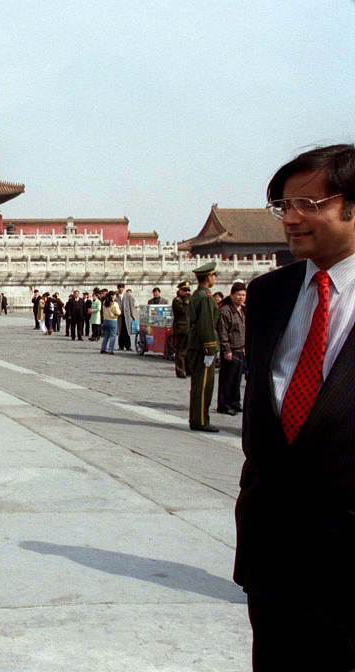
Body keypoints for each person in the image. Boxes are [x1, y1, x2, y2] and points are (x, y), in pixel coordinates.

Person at [234, 144, 355, 671]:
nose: (291, 218)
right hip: (272, 560)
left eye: (310, 203)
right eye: (283, 205)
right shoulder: (269, 294)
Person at [186, 261, 220, 432]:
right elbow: (206, 324)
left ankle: (197, 417)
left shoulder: (196, 295)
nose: (215, 278)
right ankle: (200, 420)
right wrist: (209, 349)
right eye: (214, 275)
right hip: (202, 346)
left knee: (198, 383)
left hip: (194, 344)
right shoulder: (206, 298)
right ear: (208, 277)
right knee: (203, 385)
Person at [216, 282, 247, 415]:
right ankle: (224, 404)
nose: (241, 297)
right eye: (239, 295)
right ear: (232, 295)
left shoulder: (242, 309)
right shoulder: (226, 311)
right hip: (231, 349)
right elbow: (222, 332)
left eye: (243, 295)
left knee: (237, 378)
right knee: (227, 378)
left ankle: (235, 401)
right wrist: (226, 349)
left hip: (240, 348)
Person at [171, 281, 192, 378]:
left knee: (189, 350)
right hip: (181, 328)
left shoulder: (189, 300)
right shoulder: (177, 300)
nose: (187, 292)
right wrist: (187, 302)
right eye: (184, 290)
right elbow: (182, 311)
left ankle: (189, 369)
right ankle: (180, 371)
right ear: (179, 290)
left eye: (188, 290)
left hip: (189, 328)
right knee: (181, 351)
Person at [116, 284, 137, 351]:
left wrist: (132, 315)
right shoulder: (115, 296)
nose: (120, 289)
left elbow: (131, 306)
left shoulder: (128, 296)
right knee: (120, 331)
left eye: (121, 288)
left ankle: (128, 346)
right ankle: (121, 346)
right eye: (119, 288)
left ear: (124, 288)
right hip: (119, 316)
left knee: (127, 331)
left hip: (126, 316)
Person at [100, 289, 121, 354]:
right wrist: (119, 312)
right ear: (112, 296)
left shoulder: (104, 302)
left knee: (106, 335)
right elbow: (118, 312)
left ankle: (103, 348)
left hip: (106, 320)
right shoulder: (115, 304)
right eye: (115, 295)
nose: (115, 297)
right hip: (113, 320)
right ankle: (110, 350)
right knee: (112, 336)